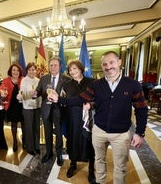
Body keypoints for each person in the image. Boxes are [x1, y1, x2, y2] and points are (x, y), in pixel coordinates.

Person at [48, 51, 148, 184]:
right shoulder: (97, 85)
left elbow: (141, 109)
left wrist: (139, 133)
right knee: (99, 162)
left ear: (119, 62)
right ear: (102, 66)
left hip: (121, 134)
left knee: (120, 167)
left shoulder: (133, 85)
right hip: (98, 131)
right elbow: (78, 99)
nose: (108, 66)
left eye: (111, 62)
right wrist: (58, 99)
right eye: (105, 64)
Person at [62, 60, 95, 182]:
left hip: (88, 119)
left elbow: (99, 99)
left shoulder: (92, 82)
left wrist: (91, 104)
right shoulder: (67, 85)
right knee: (73, 141)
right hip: (72, 118)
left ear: (80, 69)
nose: (72, 71)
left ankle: (91, 169)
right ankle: (73, 164)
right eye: (70, 70)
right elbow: (65, 101)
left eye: (74, 68)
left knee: (89, 142)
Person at [34, 57, 70, 166]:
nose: (53, 67)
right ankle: (49, 153)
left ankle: (59, 154)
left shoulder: (66, 79)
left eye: (55, 65)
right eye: (51, 65)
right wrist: (34, 94)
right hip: (46, 109)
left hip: (59, 110)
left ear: (60, 66)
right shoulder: (44, 78)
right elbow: (39, 91)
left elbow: (68, 95)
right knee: (47, 132)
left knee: (58, 134)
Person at [17, 62, 42, 155]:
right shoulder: (24, 80)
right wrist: (28, 95)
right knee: (29, 128)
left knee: (37, 127)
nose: (32, 71)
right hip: (27, 107)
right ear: (27, 70)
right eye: (30, 69)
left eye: (33, 69)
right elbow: (22, 93)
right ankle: (30, 147)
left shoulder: (38, 80)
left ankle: (37, 146)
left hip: (37, 106)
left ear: (36, 70)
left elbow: (41, 93)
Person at [0, 63, 24, 152]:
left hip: (22, 105)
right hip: (12, 106)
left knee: (24, 124)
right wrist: (2, 92)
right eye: (13, 70)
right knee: (14, 124)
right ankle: (15, 142)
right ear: (10, 71)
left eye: (17, 70)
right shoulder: (6, 80)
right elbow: (1, 89)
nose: (15, 72)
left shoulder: (23, 79)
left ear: (20, 72)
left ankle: (24, 140)